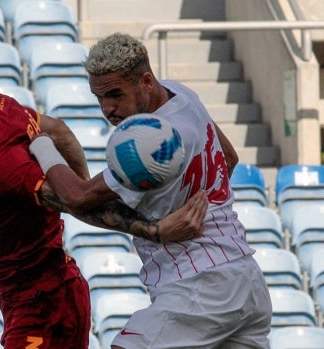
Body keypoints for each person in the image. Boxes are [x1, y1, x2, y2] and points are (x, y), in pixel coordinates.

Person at [0, 32, 209, 349]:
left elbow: (76, 202)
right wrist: (81, 184)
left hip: (44, 308)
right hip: (40, 299)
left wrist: (153, 229)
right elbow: (59, 131)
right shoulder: (4, 109)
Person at [29, 32, 272, 349]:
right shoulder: (180, 94)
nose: (108, 108)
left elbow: (78, 196)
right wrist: (193, 199)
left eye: (115, 94)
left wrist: (40, 144)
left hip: (200, 285)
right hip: (243, 274)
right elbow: (229, 157)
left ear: (145, 81)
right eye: (99, 97)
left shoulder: (151, 141)